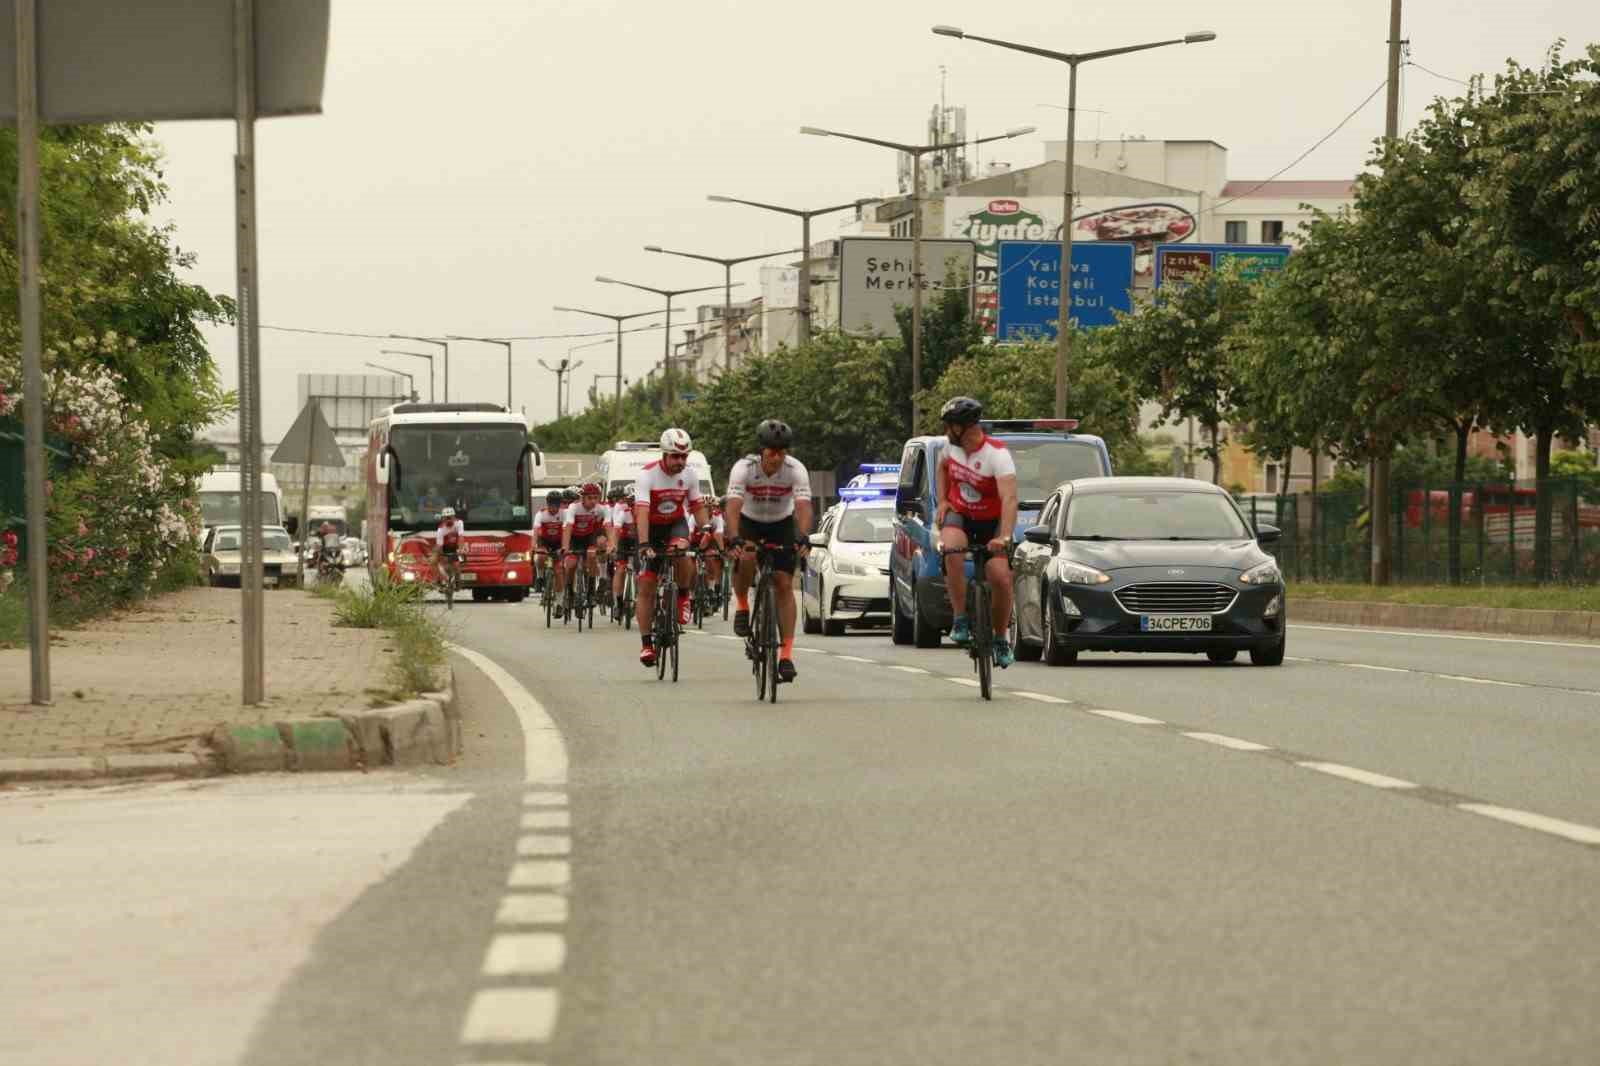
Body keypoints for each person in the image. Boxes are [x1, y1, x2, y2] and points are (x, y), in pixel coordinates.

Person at [725, 419, 812, 683]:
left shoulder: (795, 469)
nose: (776, 457)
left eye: (782, 452)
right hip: (749, 521)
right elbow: (733, 506)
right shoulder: (744, 469)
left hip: (780, 524)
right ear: (762, 450)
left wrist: (803, 535)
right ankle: (741, 604)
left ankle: (786, 655)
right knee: (748, 556)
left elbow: (804, 507)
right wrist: (735, 537)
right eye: (772, 451)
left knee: (784, 583)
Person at [934, 396, 1018, 667]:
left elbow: (1009, 500)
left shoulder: (997, 454)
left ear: (964, 426)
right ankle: (960, 618)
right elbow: (942, 468)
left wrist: (1004, 536)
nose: (946, 431)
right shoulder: (949, 448)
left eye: (950, 426)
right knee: (951, 550)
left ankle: (1000, 638)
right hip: (961, 515)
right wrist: (944, 500)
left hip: (992, 521)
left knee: (1001, 578)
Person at [634, 428, 710, 667]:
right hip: (651, 529)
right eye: (675, 457)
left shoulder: (689, 475)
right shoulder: (647, 476)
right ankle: (647, 644)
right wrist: (645, 543)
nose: (680, 462)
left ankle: (684, 596)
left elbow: (697, 506)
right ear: (664, 455)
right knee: (646, 586)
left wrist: (706, 528)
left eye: (684, 457)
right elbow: (642, 511)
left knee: (682, 553)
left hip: (675, 526)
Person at [559, 482, 609, 615]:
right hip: (574, 538)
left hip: (589, 537)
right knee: (570, 565)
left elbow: (608, 526)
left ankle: (591, 592)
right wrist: (565, 546)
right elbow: (568, 526)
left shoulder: (601, 508)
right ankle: (569, 592)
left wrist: (611, 545)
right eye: (590, 498)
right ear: (582, 498)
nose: (593, 501)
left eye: (596, 498)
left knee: (592, 557)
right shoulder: (573, 508)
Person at [607, 485, 638, 610]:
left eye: (635, 501)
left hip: (638, 540)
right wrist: (613, 545)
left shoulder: (645, 509)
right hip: (623, 540)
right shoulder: (623, 510)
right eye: (629, 501)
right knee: (620, 569)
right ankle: (617, 602)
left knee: (641, 570)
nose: (632, 504)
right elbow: (616, 529)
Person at [532, 491, 565, 594]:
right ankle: (540, 577)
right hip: (544, 541)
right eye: (551, 505)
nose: (553, 508)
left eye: (556, 505)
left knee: (558, 567)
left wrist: (565, 546)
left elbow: (568, 530)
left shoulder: (564, 514)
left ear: (559, 505)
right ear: (547, 504)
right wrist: (533, 545)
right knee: (541, 557)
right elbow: (536, 529)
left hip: (559, 541)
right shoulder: (541, 514)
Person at [431, 506, 466, 590]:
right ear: (443, 519)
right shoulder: (441, 529)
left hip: (456, 547)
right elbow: (439, 546)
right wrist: (437, 555)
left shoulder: (459, 523)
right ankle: (437, 580)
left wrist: (461, 549)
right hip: (444, 547)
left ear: (454, 517)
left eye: (450, 517)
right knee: (433, 561)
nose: (449, 520)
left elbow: (461, 537)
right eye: (446, 518)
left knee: (458, 564)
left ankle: (458, 581)